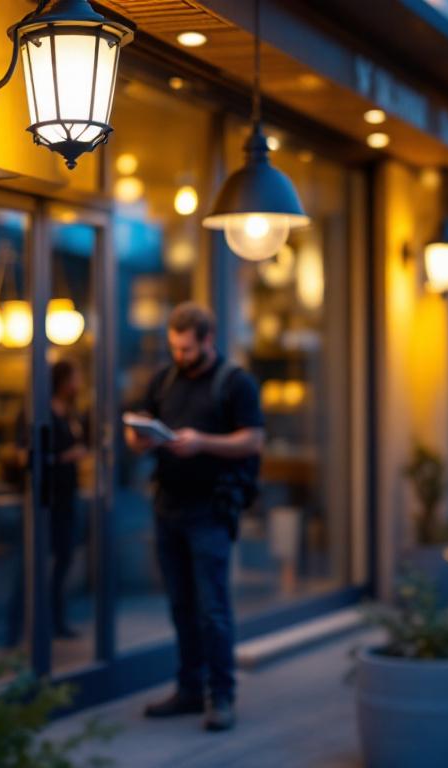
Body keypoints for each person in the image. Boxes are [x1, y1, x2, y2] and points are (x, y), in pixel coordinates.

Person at [125, 302, 263, 733]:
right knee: (181, 605)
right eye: (174, 348)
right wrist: (139, 439)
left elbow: (253, 440)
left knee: (213, 609)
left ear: (208, 339)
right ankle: (189, 690)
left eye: (187, 349)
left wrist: (203, 442)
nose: (180, 357)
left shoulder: (235, 383)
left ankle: (221, 697)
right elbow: (138, 429)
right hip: (168, 504)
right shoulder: (164, 379)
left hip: (210, 509)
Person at [48, 359, 87, 639]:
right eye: (76, 376)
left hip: (67, 496)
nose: (80, 382)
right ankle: (23, 624)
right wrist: (66, 457)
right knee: (42, 563)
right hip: (49, 498)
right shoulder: (43, 412)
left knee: (63, 560)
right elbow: (31, 455)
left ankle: (57, 620)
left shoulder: (71, 412)